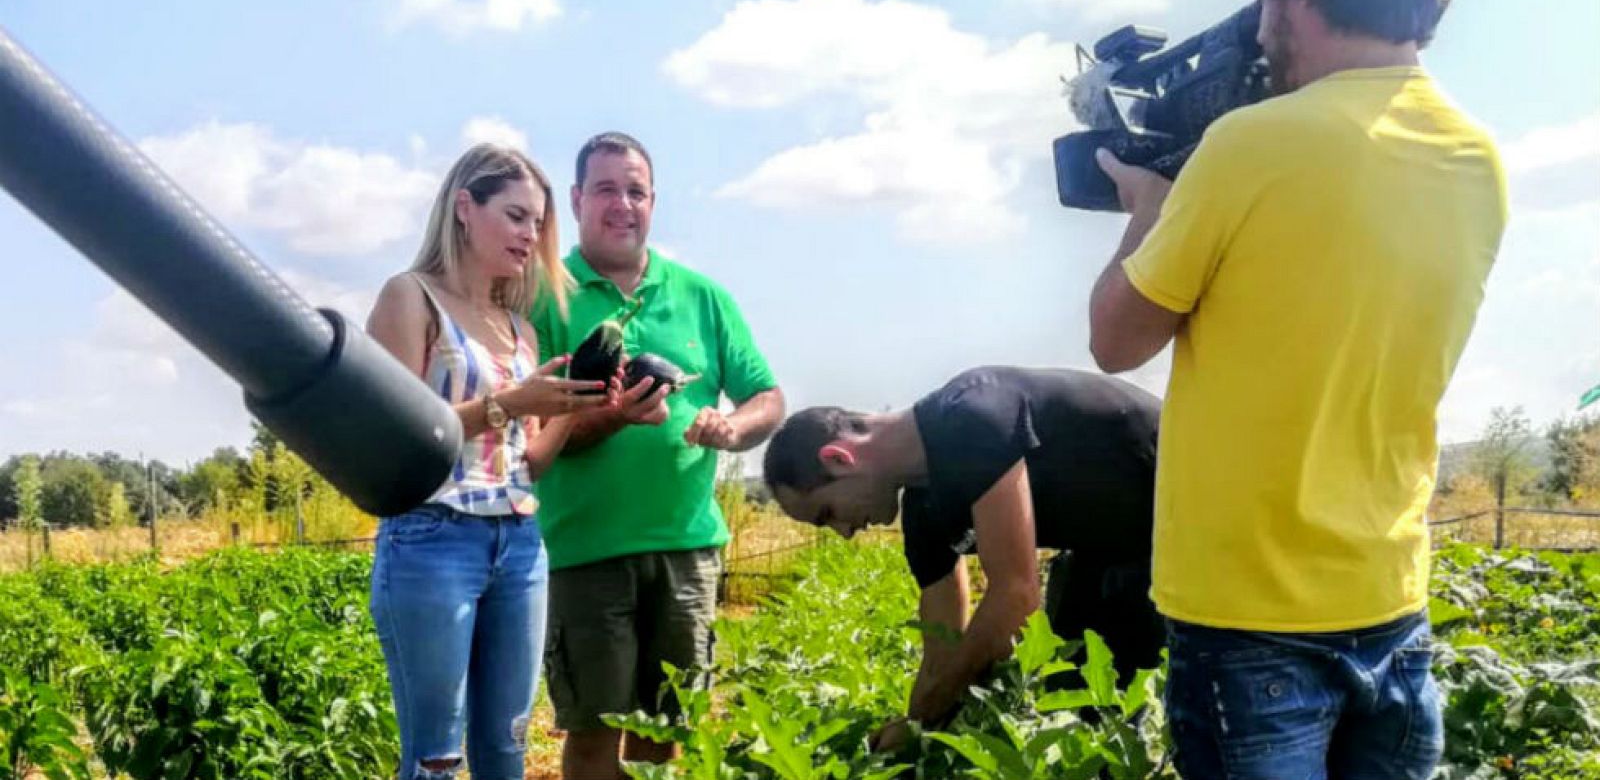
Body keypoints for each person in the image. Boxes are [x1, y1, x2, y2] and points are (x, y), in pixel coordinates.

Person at [1086, 0, 1505, 777]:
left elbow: (1117, 339)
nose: (1260, 29)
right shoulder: (1479, 160)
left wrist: (1147, 209)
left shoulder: (1249, 145)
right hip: (1391, 599)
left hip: (1246, 613)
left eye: (1266, 0)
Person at [531, 131, 786, 780]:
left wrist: (733, 428)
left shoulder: (703, 296)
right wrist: (612, 418)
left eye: (636, 191)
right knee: (593, 736)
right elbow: (531, 434)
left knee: (665, 733)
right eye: (607, 189)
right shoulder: (543, 297)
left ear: (654, 202)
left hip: (688, 547)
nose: (624, 204)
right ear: (577, 199)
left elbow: (767, 397)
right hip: (585, 552)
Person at [364, 143, 614, 780]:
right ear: (464, 208)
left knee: (506, 749)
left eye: (538, 223)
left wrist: (574, 407)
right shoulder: (410, 298)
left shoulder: (519, 329)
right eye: (516, 216)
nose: (531, 235)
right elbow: (394, 442)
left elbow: (527, 460)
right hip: (431, 537)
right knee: (435, 757)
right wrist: (505, 403)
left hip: (520, 541)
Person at [762, 366, 1164, 750]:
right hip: (1110, 545)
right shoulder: (924, 514)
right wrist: (913, 727)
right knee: (1076, 714)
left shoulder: (969, 417)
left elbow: (1017, 597)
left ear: (838, 458)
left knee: (1137, 712)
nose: (845, 533)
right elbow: (942, 650)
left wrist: (927, 714)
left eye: (828, 514)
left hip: (1189, 508)